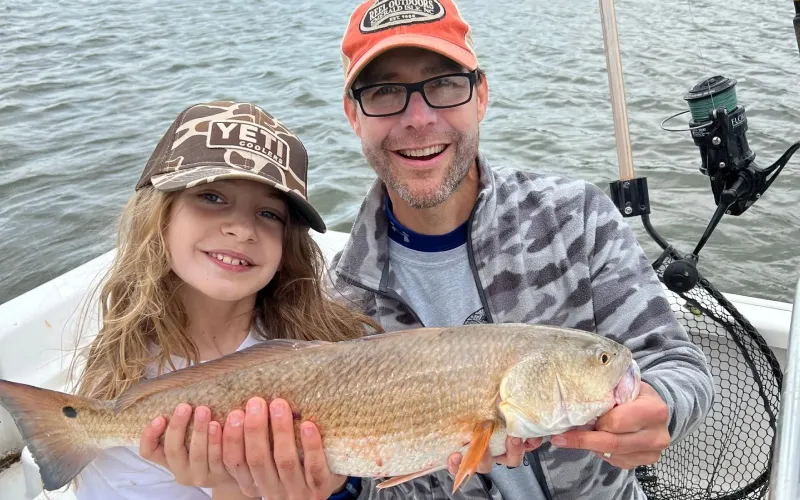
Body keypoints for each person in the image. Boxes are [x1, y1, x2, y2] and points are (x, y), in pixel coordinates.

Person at [319, 0, 715, 498]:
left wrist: (661, 403)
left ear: (480, 95)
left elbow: (679, 365)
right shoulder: (338, 299)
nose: (418, 118)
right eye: (383, 92)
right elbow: (368, 480)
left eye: (443, 84)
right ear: (353, 114)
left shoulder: (576, 216)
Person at [69, 100, 379, 500]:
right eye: (212, 197)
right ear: (159, 213)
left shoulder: (324, 346)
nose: (242, 229)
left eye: (270, 214)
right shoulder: (122, 373)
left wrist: (334, 487)